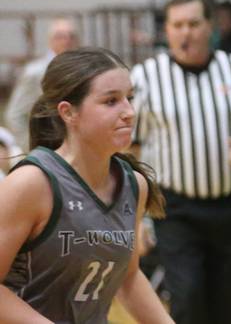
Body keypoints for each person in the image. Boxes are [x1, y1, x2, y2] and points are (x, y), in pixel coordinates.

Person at [130, 0, 231, 324]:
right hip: (175, 207)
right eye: (177, 25)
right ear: (167, 30)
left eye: (194, 24)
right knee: (188, 296)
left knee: (229, 301)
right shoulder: (145, 77)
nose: (186, 32)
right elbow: (132, 149)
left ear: (210, 27)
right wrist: (136, 215)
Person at [0, 47, 172, 323]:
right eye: (111, 101)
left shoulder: (134, 184)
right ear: (68, 113)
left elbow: (127, 277)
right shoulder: (32, 183)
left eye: (129, 98)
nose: (129, 112)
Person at [5, 17, 80, 151]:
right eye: (60, 36)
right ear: (50, 40)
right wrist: (33, 148)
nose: (67, 40)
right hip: (47, 146)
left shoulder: (81, 69)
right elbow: (15, 115)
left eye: (71, 36)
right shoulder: (35, 72)